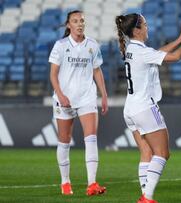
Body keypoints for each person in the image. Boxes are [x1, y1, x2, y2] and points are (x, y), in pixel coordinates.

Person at [115, 13, 181, 203]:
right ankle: (147, 197)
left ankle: (145, 194)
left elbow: (157, 54)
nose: (148, 27)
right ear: (137, 30)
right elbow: (174, 57)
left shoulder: (133, 49)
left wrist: (178, 39)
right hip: (144, 108)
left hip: (130, 109)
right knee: (163, 153)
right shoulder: (141, 51)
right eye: (145, 24)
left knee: (146, 153)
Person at [49, 10, 108, 196]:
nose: (80, 24)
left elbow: (97, 71)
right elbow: (53, 74)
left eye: (82, 20)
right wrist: (60, 95)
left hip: (87, 97)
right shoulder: (60, 45)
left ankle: (92, 184)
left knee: (91, 139)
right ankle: (65, 182)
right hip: (64, 98)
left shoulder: (92, 45)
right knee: (64, 141)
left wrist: (104, 95)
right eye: (75, 21)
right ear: (69, 25)